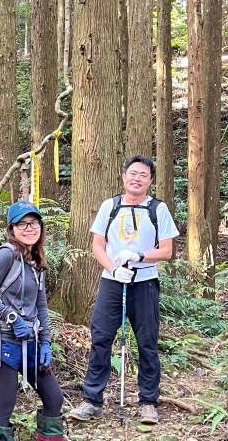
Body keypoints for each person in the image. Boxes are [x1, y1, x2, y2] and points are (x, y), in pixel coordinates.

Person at [0, 201, 86, 441]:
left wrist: (46, 342)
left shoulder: (35, 259)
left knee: (54, 397)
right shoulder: (6, 254)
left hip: (32, 342)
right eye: (23, 224)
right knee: (5, 403)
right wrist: (12, 318)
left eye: (34, 223)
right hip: (3, 340)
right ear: (12, 229)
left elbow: (41, 306)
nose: (29, 228)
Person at [70, 155, 179, 426]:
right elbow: (98, 245)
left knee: (147, 342)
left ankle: (148, 402)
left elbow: (167, 250)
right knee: (101, 338)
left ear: (150, 181)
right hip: (112, 281)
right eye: (132, 173)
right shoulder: (110, 206)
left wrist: (140, 256)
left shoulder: (158, 209)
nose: (137, 178)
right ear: (123, 176)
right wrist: (113, 268)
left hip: (145, 282)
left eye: (143, 175)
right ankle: (92, 401)